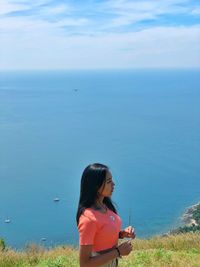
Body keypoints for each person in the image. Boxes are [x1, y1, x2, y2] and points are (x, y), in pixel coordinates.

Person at [76, 163, 135, 267]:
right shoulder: (88, 219)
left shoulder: (104, 206)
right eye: (109, 182)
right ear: (96, 186)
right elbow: (84, 263)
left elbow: (101, 234)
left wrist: (122, 234)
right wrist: (118, 252)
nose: (113, 184)